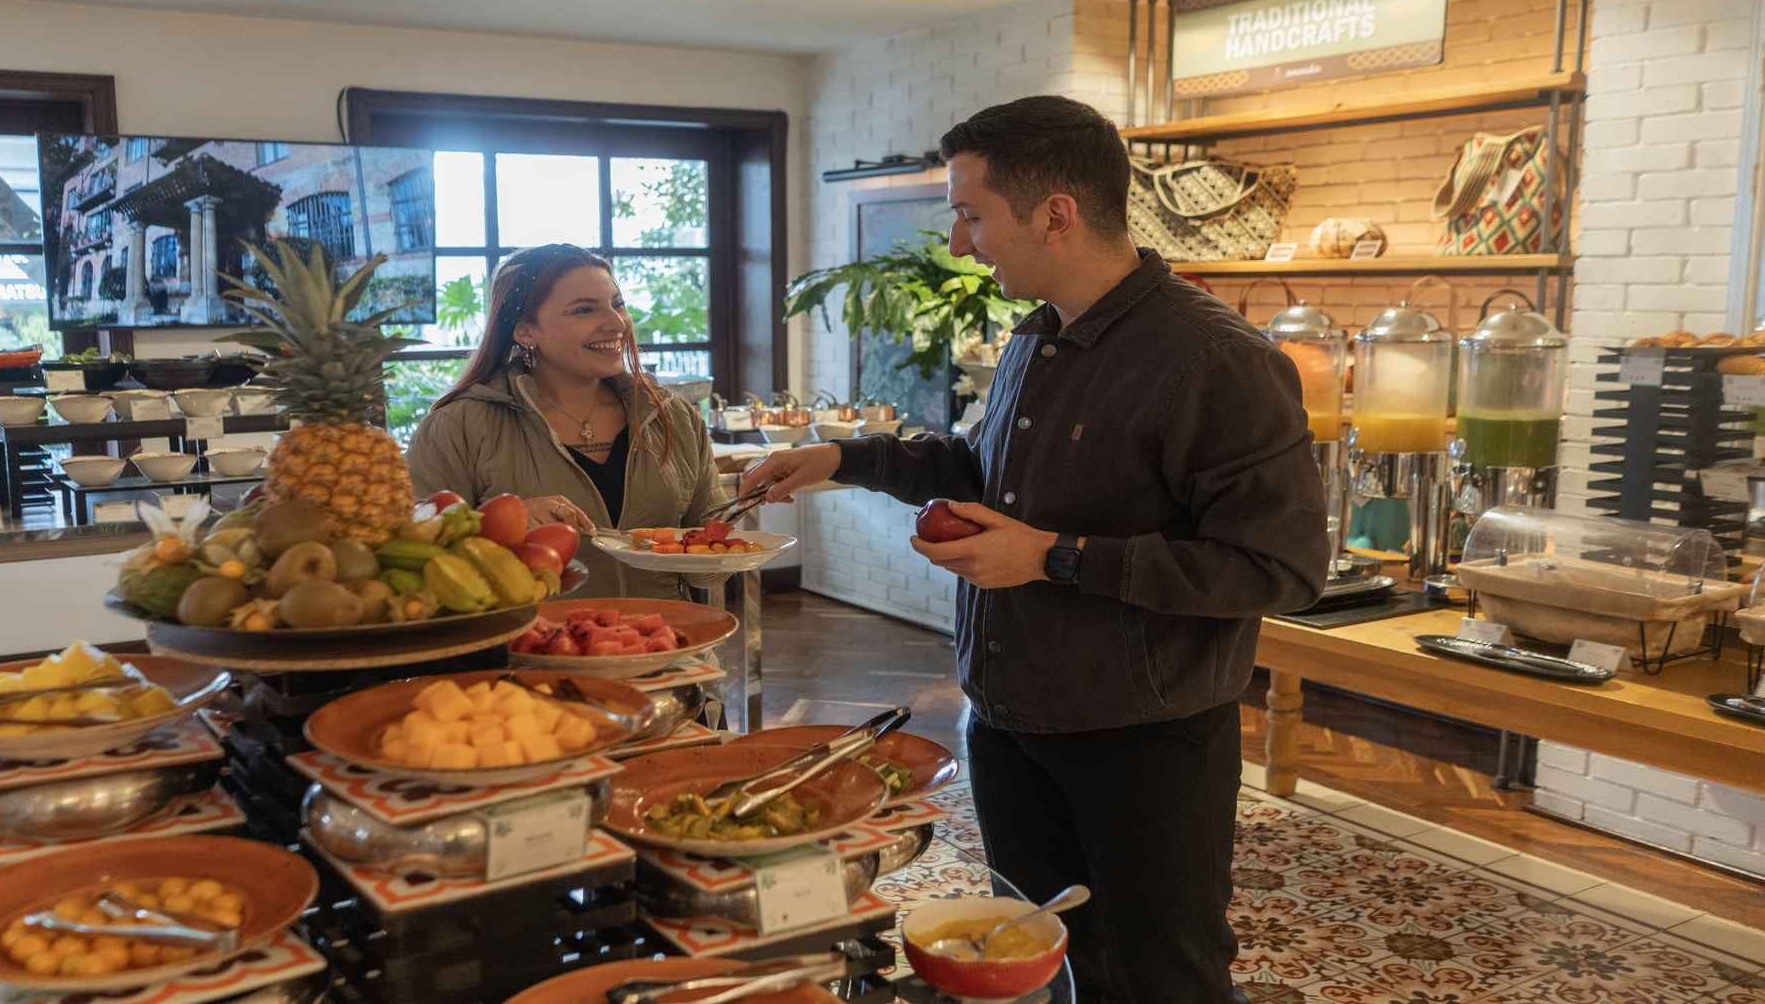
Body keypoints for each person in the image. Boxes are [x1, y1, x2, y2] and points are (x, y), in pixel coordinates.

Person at [744, 96, 1327, 1003]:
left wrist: (1053, 557)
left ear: (1057, 213)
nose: (960, 243)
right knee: (1028, 950)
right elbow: (981, 469)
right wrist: (841, 458)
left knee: (1161, 977)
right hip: (1009, 722)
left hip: (1145, 742)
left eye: (972, 214)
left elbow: (1280, 569)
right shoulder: (1038, 334)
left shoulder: (1221, 361)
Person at [407, 243, 725, 600]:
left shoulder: (673, 416)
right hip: (532, 650)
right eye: (584, 310)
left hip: (669, 644)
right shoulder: (458, 425)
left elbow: (710, 564)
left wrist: (732, 533)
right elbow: (411, 558)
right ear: (525, 331)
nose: (616, 323)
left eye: (617, 304)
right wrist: (496, 526)